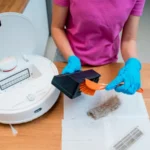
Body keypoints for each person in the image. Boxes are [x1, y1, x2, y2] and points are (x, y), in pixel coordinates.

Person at [51, 0, 145, 95]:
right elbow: (57, 27)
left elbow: (128, 40)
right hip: (68, 59)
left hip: (106, 63)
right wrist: (71, 57)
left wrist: (133, 63)